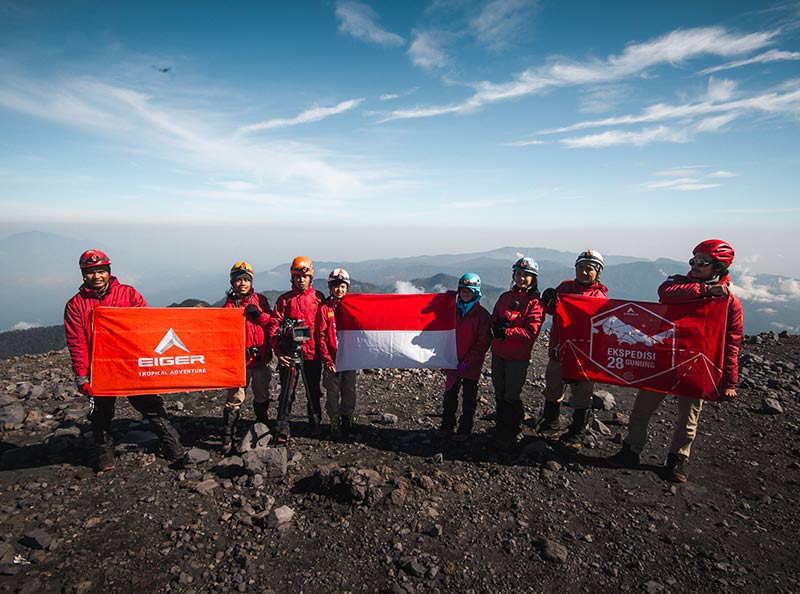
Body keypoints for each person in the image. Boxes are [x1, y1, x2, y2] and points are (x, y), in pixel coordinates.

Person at [608, 239, 743, 482]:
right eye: (694, 259)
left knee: (689, 417)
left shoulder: (729, 303)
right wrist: (705, 291)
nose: (695, 265)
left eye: (703, 261)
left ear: (719, 267)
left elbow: (731, 342)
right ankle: (630, 450)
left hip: (697, 365)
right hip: (664, 358)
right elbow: (665, 293)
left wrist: (729, 381)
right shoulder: (679, 282)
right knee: (641, 410)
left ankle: (677, 459)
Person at [63, 249, 182, 472]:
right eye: (90, 272)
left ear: (108, 271)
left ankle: (172, 446)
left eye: (100, 271)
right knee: (101, 413)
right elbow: (77, 342)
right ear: (83, 275)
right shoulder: (75, 305)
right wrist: (81, 375)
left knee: (150, 405)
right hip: (100, 366)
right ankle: (104, 454)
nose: (96, 276)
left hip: (132, 363)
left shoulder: (127, 294)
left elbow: (146, 324)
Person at [538, 250, 608, 448]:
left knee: (582, 395)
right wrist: (548, 299)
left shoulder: (599, 297)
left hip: (583, 357)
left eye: (589, 269)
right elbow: (551, 310)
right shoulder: (566, 287)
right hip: (559, 350)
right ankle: (551, 425)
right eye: (581, 268)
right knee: (553, 387)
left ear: (597, 272)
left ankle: (577, 432)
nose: (584, 272)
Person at [490, 257, 545, 451]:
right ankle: (501, 426)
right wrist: (495, 325)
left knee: (511, 394)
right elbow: (495, 316)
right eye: (519, 274)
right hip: (498, 352)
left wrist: (507, 332)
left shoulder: (535, 303)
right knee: (499, 390)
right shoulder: (505, 297)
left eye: (526, 276)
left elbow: (531, 332)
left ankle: (510, 431)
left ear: (534, 279)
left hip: (517, 357)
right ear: (514, 275)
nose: (522, 278)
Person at [268, 256, 325, 443]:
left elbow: (324, 326)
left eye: (305, 276)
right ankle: (282, 427)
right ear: (292, 278)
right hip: (289, 354)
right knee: (287, 391)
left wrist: (325, 353)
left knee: (314, 391)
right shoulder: (284, 300)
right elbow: (273, 326)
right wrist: (279, 352)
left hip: (312, 354)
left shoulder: (318, 298)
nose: (301, 279)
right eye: (297, 276)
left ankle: (315, 422)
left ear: (310, 278)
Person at [221, 261, 273, 453]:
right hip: (239, 363)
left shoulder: (261, 301)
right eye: (238, 280)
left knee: (262, 395)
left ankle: (261, 426)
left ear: (251, 282)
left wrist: (259, 314)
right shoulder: (227, 308)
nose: (242, 283)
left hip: (260, 360)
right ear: (232, 283)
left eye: (245, 280)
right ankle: (228, 436)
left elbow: (272, 324)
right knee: (234, 399)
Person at [436, 273, 492, 441]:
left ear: (476, 292)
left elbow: (483, 343)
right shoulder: (451, 310)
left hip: (470, 366)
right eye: (463, 290)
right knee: (449, 397)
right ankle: (447, 426)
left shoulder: (482, 315)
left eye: (470, 290)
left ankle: (465, 429)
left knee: (469, 398)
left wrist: (468, 361)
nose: (465, 293)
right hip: (452, 363)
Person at [316, 268, 359, 438]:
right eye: (335, 286)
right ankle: (334, 420)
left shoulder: (353, 307)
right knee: (332, 392)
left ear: (347, 287)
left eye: (342, 286)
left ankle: (347, 418)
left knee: (349, 390)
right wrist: (327, 360)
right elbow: (320, 336)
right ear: (330, 287)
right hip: (332, 360)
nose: (339, 290)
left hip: (350, 359)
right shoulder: (324, 308)